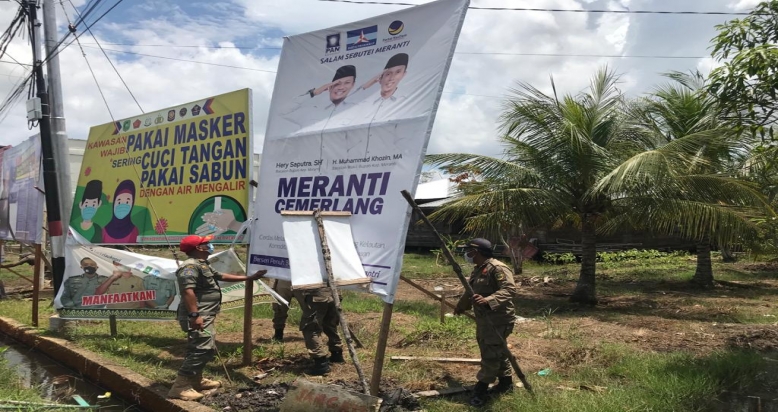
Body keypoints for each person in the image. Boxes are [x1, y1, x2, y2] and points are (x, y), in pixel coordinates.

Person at [167, 234, 267, 401]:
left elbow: (220, 276)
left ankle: (196, 380)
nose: (210, 245)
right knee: (202, 349)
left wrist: (249, 278)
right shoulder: (189, 267)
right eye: (207, 243)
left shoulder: (202, 264)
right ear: (199, 248)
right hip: (198, 316)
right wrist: (194, 315)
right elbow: (187, 291)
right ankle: (180, 387)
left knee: (202, 347)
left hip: (205, 314)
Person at [454, 238, 518, 407]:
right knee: (498, 351)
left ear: (477, 252)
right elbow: (471, 293)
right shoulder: (479, 270)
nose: (466, 254)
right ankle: (506, 384)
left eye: (469, 251)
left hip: (498, 320)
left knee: (490, 355)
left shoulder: (497, 268)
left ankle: (480, 391)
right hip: (485, 320)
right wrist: (461, 307)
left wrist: (489, 300)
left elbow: (510, 289)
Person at [278, 65, 358, 135]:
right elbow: (282, 112)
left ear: (353, 85)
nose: (341, 87)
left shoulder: (356, 111)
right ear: (330, 87)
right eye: (337, 83)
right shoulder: (313, 111)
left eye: (347, 82)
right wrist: (313, 93)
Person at [293, 284, 343, 376]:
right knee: (330, 324)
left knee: (310, 328)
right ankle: (337, 354)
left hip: (317, 295)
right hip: (334, 292)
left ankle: (320, 364)